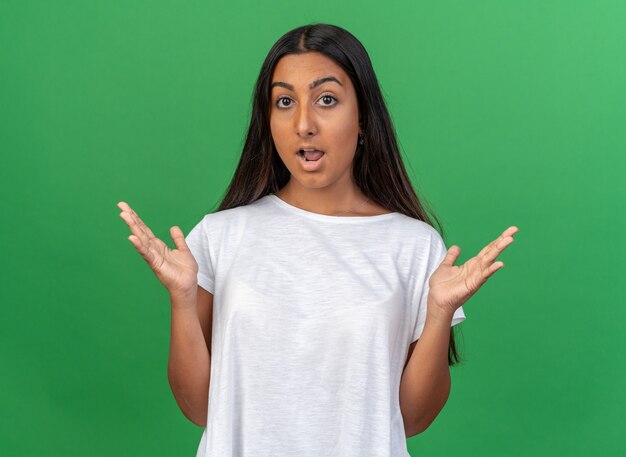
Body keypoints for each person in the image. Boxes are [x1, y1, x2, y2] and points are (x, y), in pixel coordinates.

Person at [117, 23, 518, 457]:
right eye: (285, 102)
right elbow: (198, 408)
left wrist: (439, 312)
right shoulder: (221, 235)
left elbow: (413, 419)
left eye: (326, 100)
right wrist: (182, 298)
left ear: (363, 117)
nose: (304, 124)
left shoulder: (413, 246)